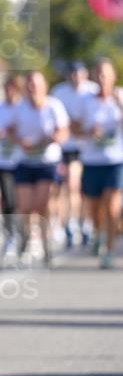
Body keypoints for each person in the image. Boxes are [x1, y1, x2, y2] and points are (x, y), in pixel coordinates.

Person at [8, 71, 69, 266]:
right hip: (25, 161)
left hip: (47, 162)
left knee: (42, 204)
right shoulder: (19, 107)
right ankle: (26, 238)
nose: (32, 88)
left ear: (44, 87)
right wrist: (21, 141)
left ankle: (45, 244)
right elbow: (10, 130)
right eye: (29, 84)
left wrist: (52, 138)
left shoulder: (53, 106)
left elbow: (63, 131)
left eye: (35, 84)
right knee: (25, 206)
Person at [72, 58, 123, 269]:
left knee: (112, 208)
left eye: (105, 74)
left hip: (115, 161)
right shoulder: (85, 100)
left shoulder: (120, 97)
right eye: (98, 74)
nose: (102, 79)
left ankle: (108, 251)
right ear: (94, 77)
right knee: (94, 210)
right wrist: (88, 132)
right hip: (92, 161)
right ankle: (98, 233)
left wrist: (119, 104)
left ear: (113, 77)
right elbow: (73, 128)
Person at [50, 61, 99, 247]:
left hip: (87, 148)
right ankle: (68, 224)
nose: (76, 78)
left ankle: (84, 221)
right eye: (72, 74)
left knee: (82, 189)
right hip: (65, 148)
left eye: (79, 74)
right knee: (66, 188)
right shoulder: (59, 92)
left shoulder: (92, 90)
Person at [0, 73, 24, 257]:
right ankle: (10, 236)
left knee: (21, 202)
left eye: (12, 88)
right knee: (7, 201)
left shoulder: (23, 108)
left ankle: (25, 235)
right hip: (1, 161)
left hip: (20, 160)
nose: (8, 92)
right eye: (6, 88)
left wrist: (12, 132)